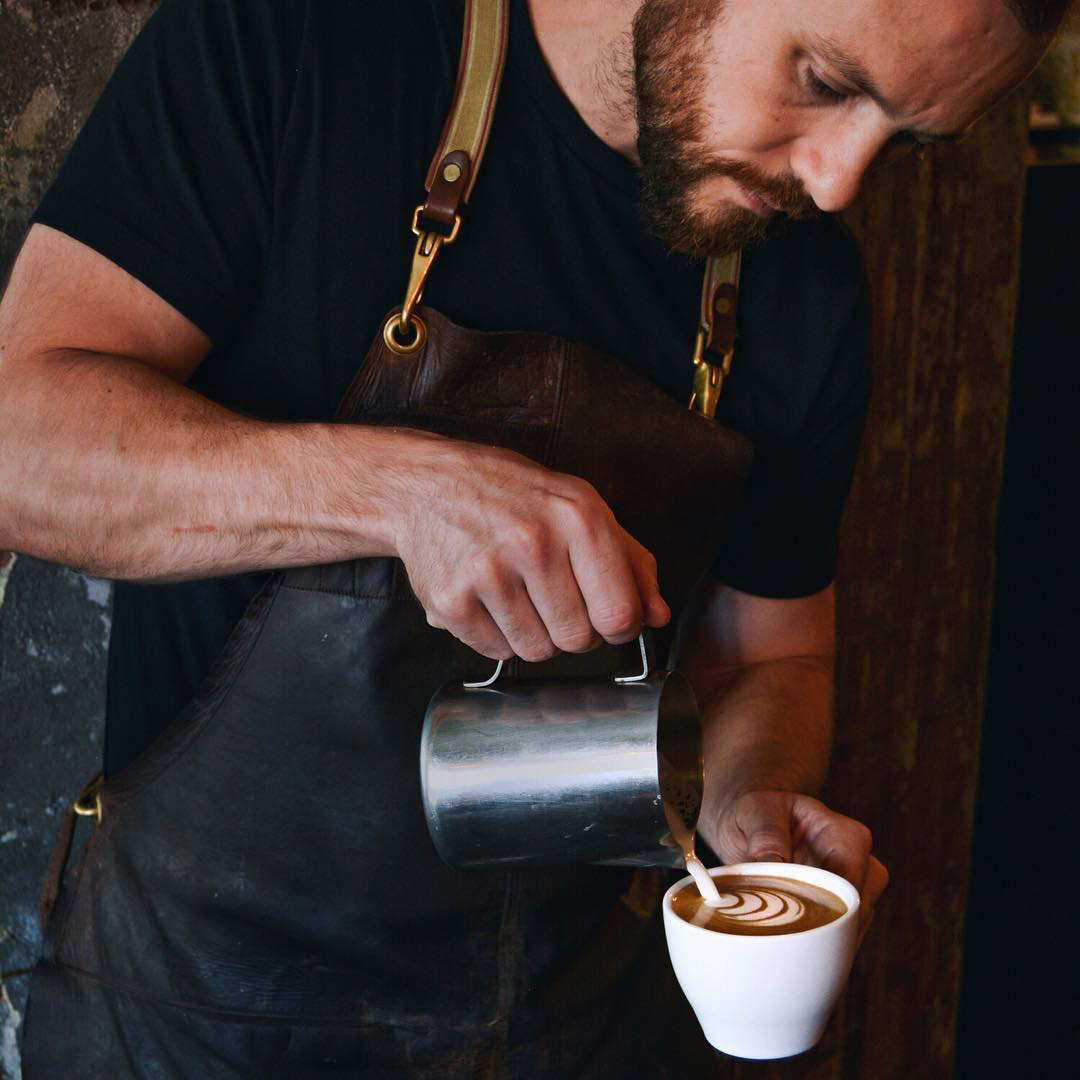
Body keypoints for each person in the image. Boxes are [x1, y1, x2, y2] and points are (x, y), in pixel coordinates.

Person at [0, 0, 1060, 1075]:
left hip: (567, 1029)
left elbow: (770, 657)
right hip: (189, 1019)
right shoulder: (302, 42)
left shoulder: (803, 284)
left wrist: (750, 808)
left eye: (906, 142)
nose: (836, 182)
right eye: (827, 81)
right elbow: (18, 444)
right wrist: (399, 494)